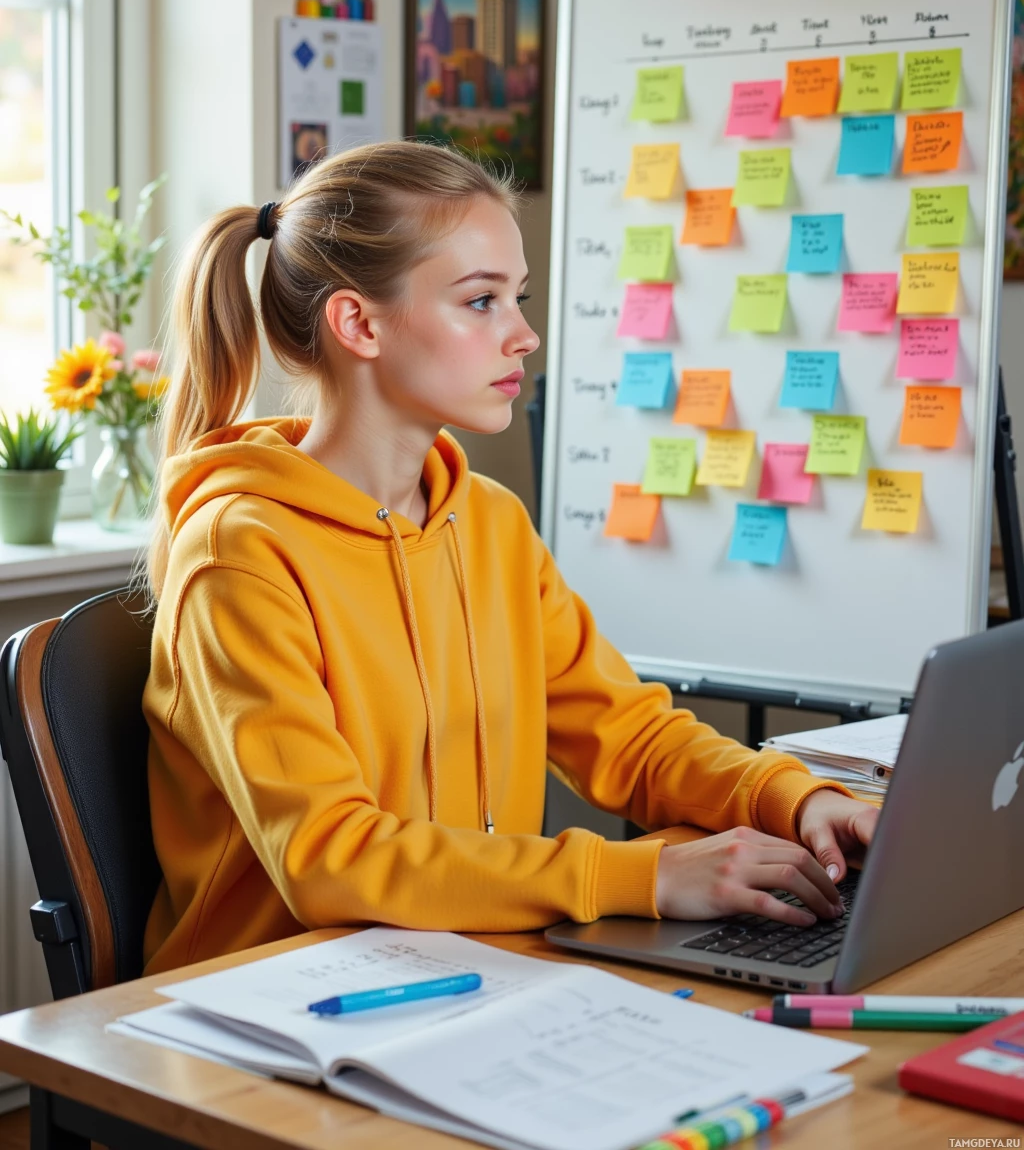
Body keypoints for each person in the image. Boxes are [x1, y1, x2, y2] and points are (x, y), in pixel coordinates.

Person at [142, 141, 876, 975]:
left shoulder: (488, 522)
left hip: (475, 964)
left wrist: (793, 797)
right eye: (482, 301)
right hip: (275, 999)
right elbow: (329, 858)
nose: (524, 335)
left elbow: (627, 737)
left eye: (515, 298)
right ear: (358, 323)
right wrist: (643, 874)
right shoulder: (241, 554)